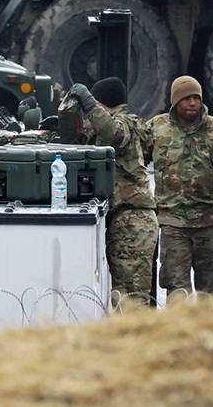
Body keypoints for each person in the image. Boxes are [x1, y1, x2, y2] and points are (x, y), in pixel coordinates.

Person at [146, 76, 213, 302]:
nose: (192, 103)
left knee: (210, 292)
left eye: (196, 98)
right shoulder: (156, 129)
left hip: (211, 224)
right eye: (186, 98)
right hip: (173, 226)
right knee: (176, 289)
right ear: (175, 102)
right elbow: (134, 161)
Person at [70, 77, 158, 305]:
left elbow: (114, 133)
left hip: (134, 220)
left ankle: (136, 339)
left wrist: (88, 103)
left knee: (132, 299)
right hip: (121, 219)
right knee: (121, 296)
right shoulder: (105, 126)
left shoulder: (128, 123)